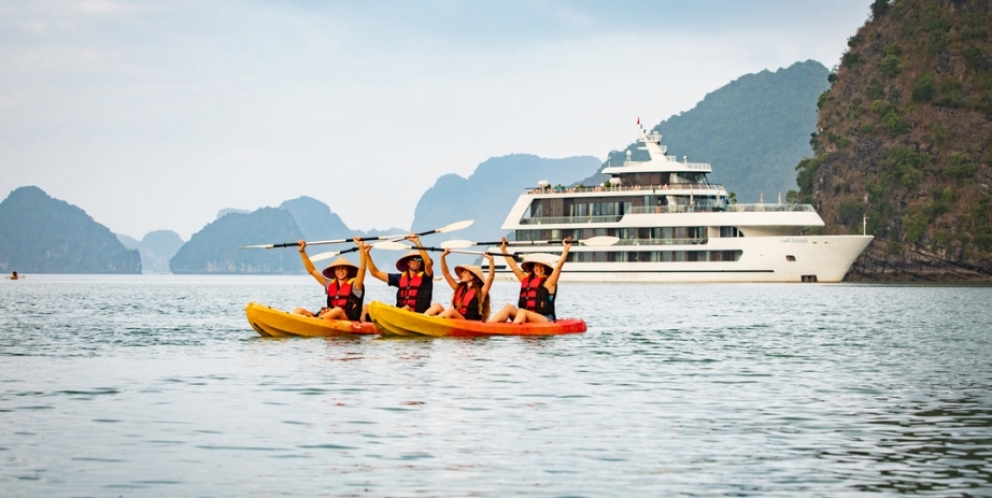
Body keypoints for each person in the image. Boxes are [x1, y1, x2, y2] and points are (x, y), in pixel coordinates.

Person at [489, 236, 572, 324]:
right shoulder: (527, 279)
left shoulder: (550, 282)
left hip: (546, 319)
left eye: (541, 267)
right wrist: (504, 250)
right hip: (527, 316)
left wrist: (565, 250)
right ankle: (490, 326)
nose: (538, 268)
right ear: (532, 268)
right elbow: (514, 267)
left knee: (522, 311)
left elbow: (558, 267)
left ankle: (514, 330)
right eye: (536, 266)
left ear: (546, 269)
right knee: (508, 307)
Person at [292, 236, 367, 321]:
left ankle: (315, 322)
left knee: (337, 310)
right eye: (338, 268)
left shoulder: (356, 286)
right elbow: (312, 271)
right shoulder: (329, 284)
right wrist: (302, 251)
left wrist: (361, 247)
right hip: (328, 318)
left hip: (347, 320)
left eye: (343, 268)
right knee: (299, 310)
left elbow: (363, 269)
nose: (340, 270)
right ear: (334, 272)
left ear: (348, 271)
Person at [365, 234, 434, 313]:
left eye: (419, 259)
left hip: (419, 316)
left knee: (407, 308)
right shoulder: (399, 278)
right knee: (367, 307)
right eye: (414, 258)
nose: (417, 261)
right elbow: (375, 273)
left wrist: (418, 242)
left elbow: (428, 263)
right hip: (401, 315)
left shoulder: (426, 277)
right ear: (408, 262)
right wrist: (367, 254)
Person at [425, 249, 495, 321]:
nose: (461, 273)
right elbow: (446, 273)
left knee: (451, 311)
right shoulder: (459, 288)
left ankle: (428, 322)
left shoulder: (481, 292)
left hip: (469, 324)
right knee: (437, 306)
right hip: (457, 320)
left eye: (464, 271)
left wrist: (491, 260)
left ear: (473, 275)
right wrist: (442, 256)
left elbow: (490, 278)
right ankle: (421, 320)